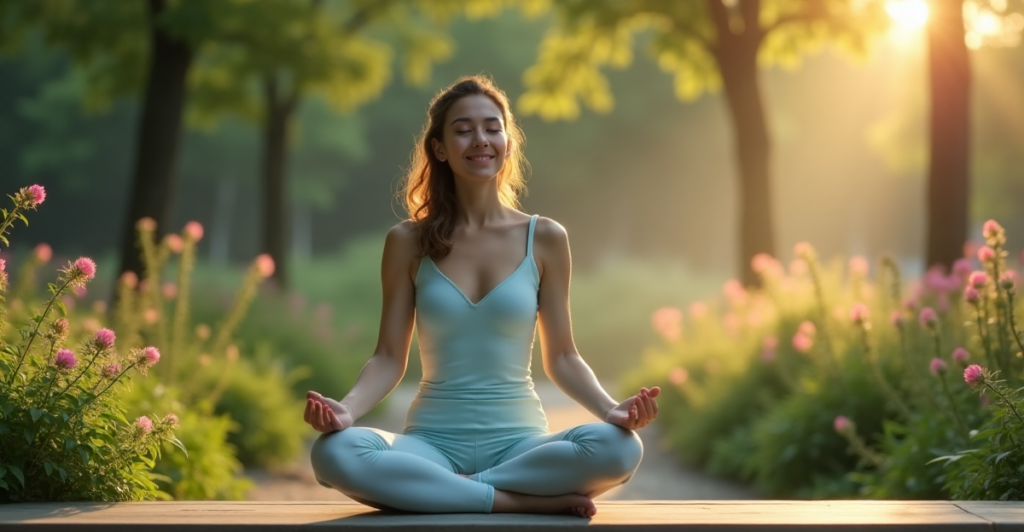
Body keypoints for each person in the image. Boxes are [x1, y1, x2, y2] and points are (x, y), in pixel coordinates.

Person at [304, 75, 661, 518]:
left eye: (492, 127)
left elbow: (563, 356)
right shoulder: (407, 241)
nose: (480, 139)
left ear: (508, 141)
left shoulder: (544, 237)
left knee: (620, 449)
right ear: (440, 148)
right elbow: (388, 357)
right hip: (430, 445)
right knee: (334, 453)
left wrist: (612, 410)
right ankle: (513, 501)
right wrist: (347, 411)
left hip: (522, 448)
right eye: (463, 129)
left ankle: (448, 491)